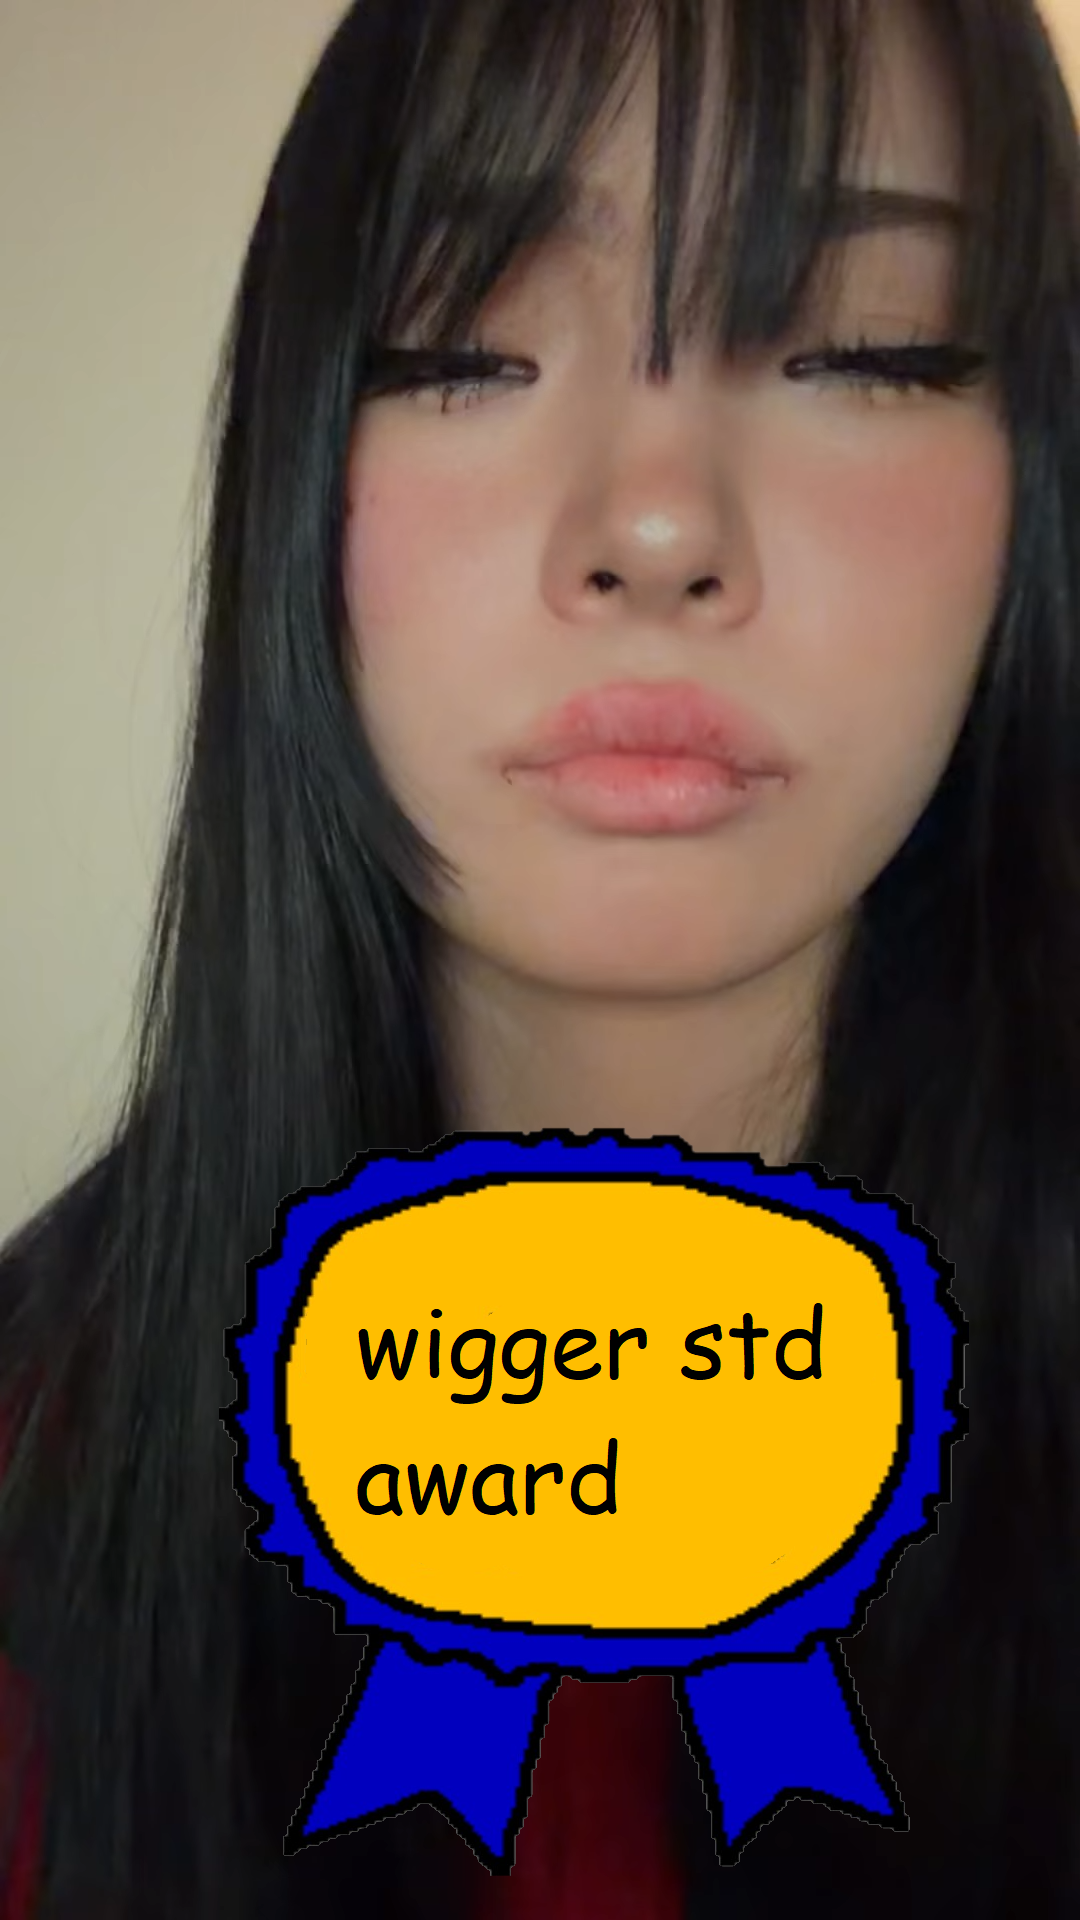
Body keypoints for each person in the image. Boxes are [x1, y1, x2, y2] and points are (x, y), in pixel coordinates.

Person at [2, 0, 1079, 1913]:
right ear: (299, 457)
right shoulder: (37, 1470)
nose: (654, 525)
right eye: (466, 343)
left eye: (865, 347)